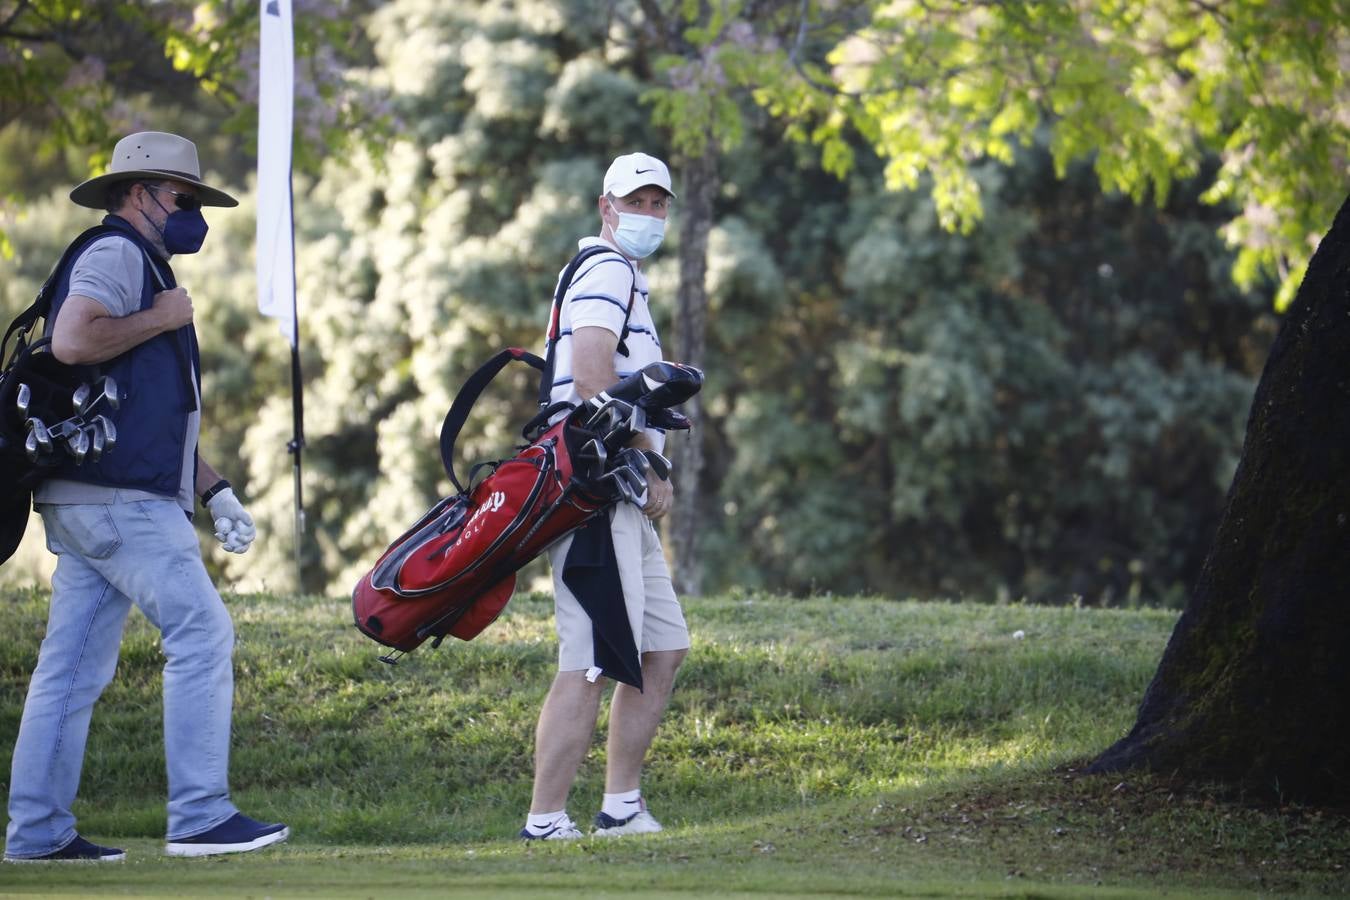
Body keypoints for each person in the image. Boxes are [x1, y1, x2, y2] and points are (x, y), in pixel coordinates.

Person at [3, 132, 288, 863]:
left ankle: (36, 833)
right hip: (118, 500)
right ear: (139, 194)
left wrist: (213, 488)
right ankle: (199, 816)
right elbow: (71, 341)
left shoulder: (139, 260)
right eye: (183, 198)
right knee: (202, 633)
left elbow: (141, 412)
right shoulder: (118, 255)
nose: (193, 212)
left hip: (92, 496)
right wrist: (164, 317)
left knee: (70, 669)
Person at [520, 152, 690, 840]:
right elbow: (592, 376)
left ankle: (620, 807)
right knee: (591, 658)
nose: (648, 215)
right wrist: (640, 467)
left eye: (658, 203)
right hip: (594, 491)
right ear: (606, 206)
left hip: (618, 489)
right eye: (636, 202)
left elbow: (625, 389)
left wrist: (655, 461)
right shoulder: (608, 268)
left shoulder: (629, 280)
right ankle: (545, 820)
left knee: (661, 649)